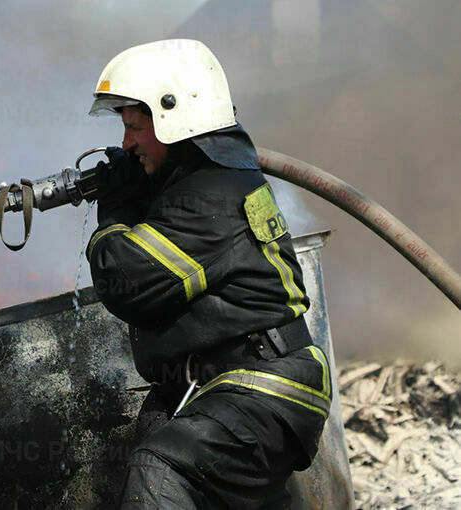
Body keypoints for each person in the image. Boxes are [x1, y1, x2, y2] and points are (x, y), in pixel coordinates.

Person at [86, 39, 331, 509]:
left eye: (135, 127)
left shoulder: (208, 194)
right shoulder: (200, 184)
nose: (126, 143)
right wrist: (137, 190)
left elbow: (126, 279)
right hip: (225, 382)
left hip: (261, 384)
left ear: (174, 118)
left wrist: (116, 208)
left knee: (161, 465)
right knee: (152, 434)